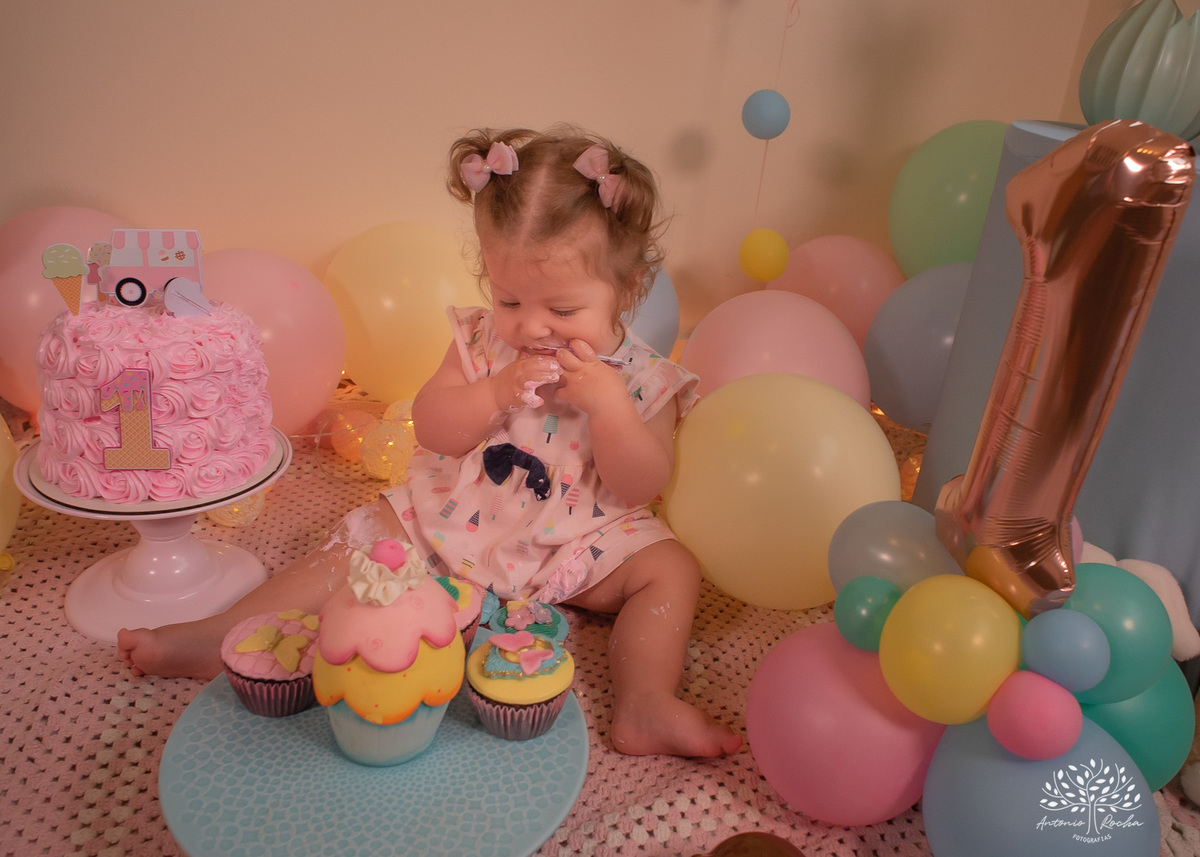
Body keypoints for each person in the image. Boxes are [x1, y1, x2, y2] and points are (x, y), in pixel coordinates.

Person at [119, 125, 742, 758]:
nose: (530, 326)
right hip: (457, 515)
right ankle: (223, 632)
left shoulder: (648, 379)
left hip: (581, 538)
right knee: (358, 536)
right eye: (509, 298)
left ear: (629, 289)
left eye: (562, 309)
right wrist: (496, 393)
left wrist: (609, 410)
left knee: (670, 570)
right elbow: (436, 427)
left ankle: (644, 703)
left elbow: (642, 483)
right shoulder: (479, 341)